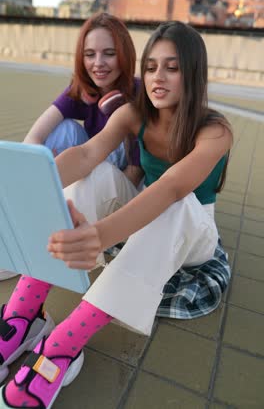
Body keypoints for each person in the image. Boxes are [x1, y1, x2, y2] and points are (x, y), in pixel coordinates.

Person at [0, 21, 233, 408]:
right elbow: (87, 154)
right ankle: (23, 317)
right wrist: (22, 192)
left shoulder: (215, 129)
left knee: (177, 203)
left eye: (172, 68)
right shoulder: (133, 114)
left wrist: (100, 236)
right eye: (153, 66)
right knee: (96, 176)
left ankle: (62, 347)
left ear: (193, 73)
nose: (158, 77)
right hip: (142, 219)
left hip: (194, 233)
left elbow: (174, 187)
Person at [0, 12, 143, 282]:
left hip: (121, 191)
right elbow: (35, 137)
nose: (98, 63)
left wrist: (77, 183)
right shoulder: (83, 88)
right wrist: (41, 171)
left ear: (124, 55)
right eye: (90, 54)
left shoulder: (138, 95)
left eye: (109, 53)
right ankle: (19, 218)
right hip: (87, 166)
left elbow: (135, 172)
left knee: (98, 166)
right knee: (64, 129)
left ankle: (37, 242)